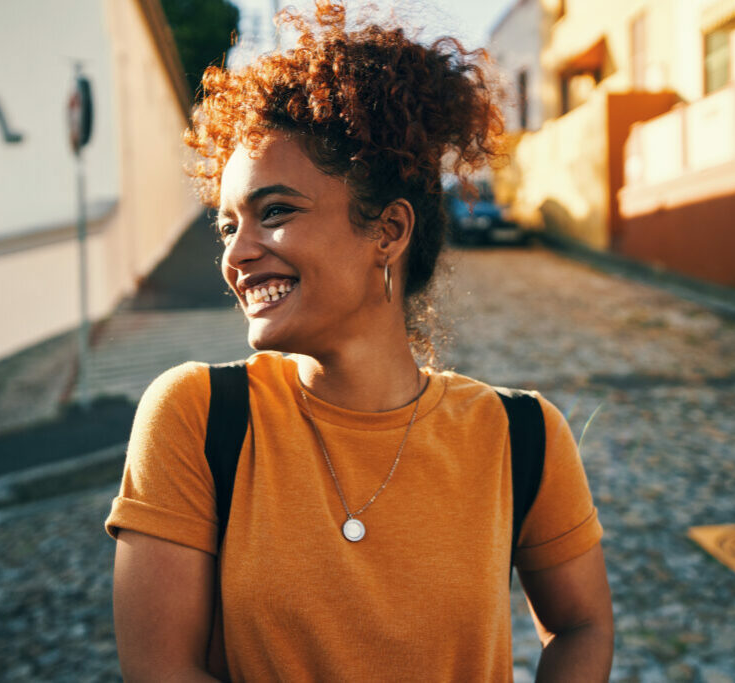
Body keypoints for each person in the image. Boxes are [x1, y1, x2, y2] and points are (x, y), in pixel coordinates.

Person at [105, 2, 613, 680]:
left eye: (275, 211)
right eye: (228, 225)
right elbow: (162, 669)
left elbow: (583, 623)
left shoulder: (521, 435)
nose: (237, 253)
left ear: (389, 232)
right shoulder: (197, 417)